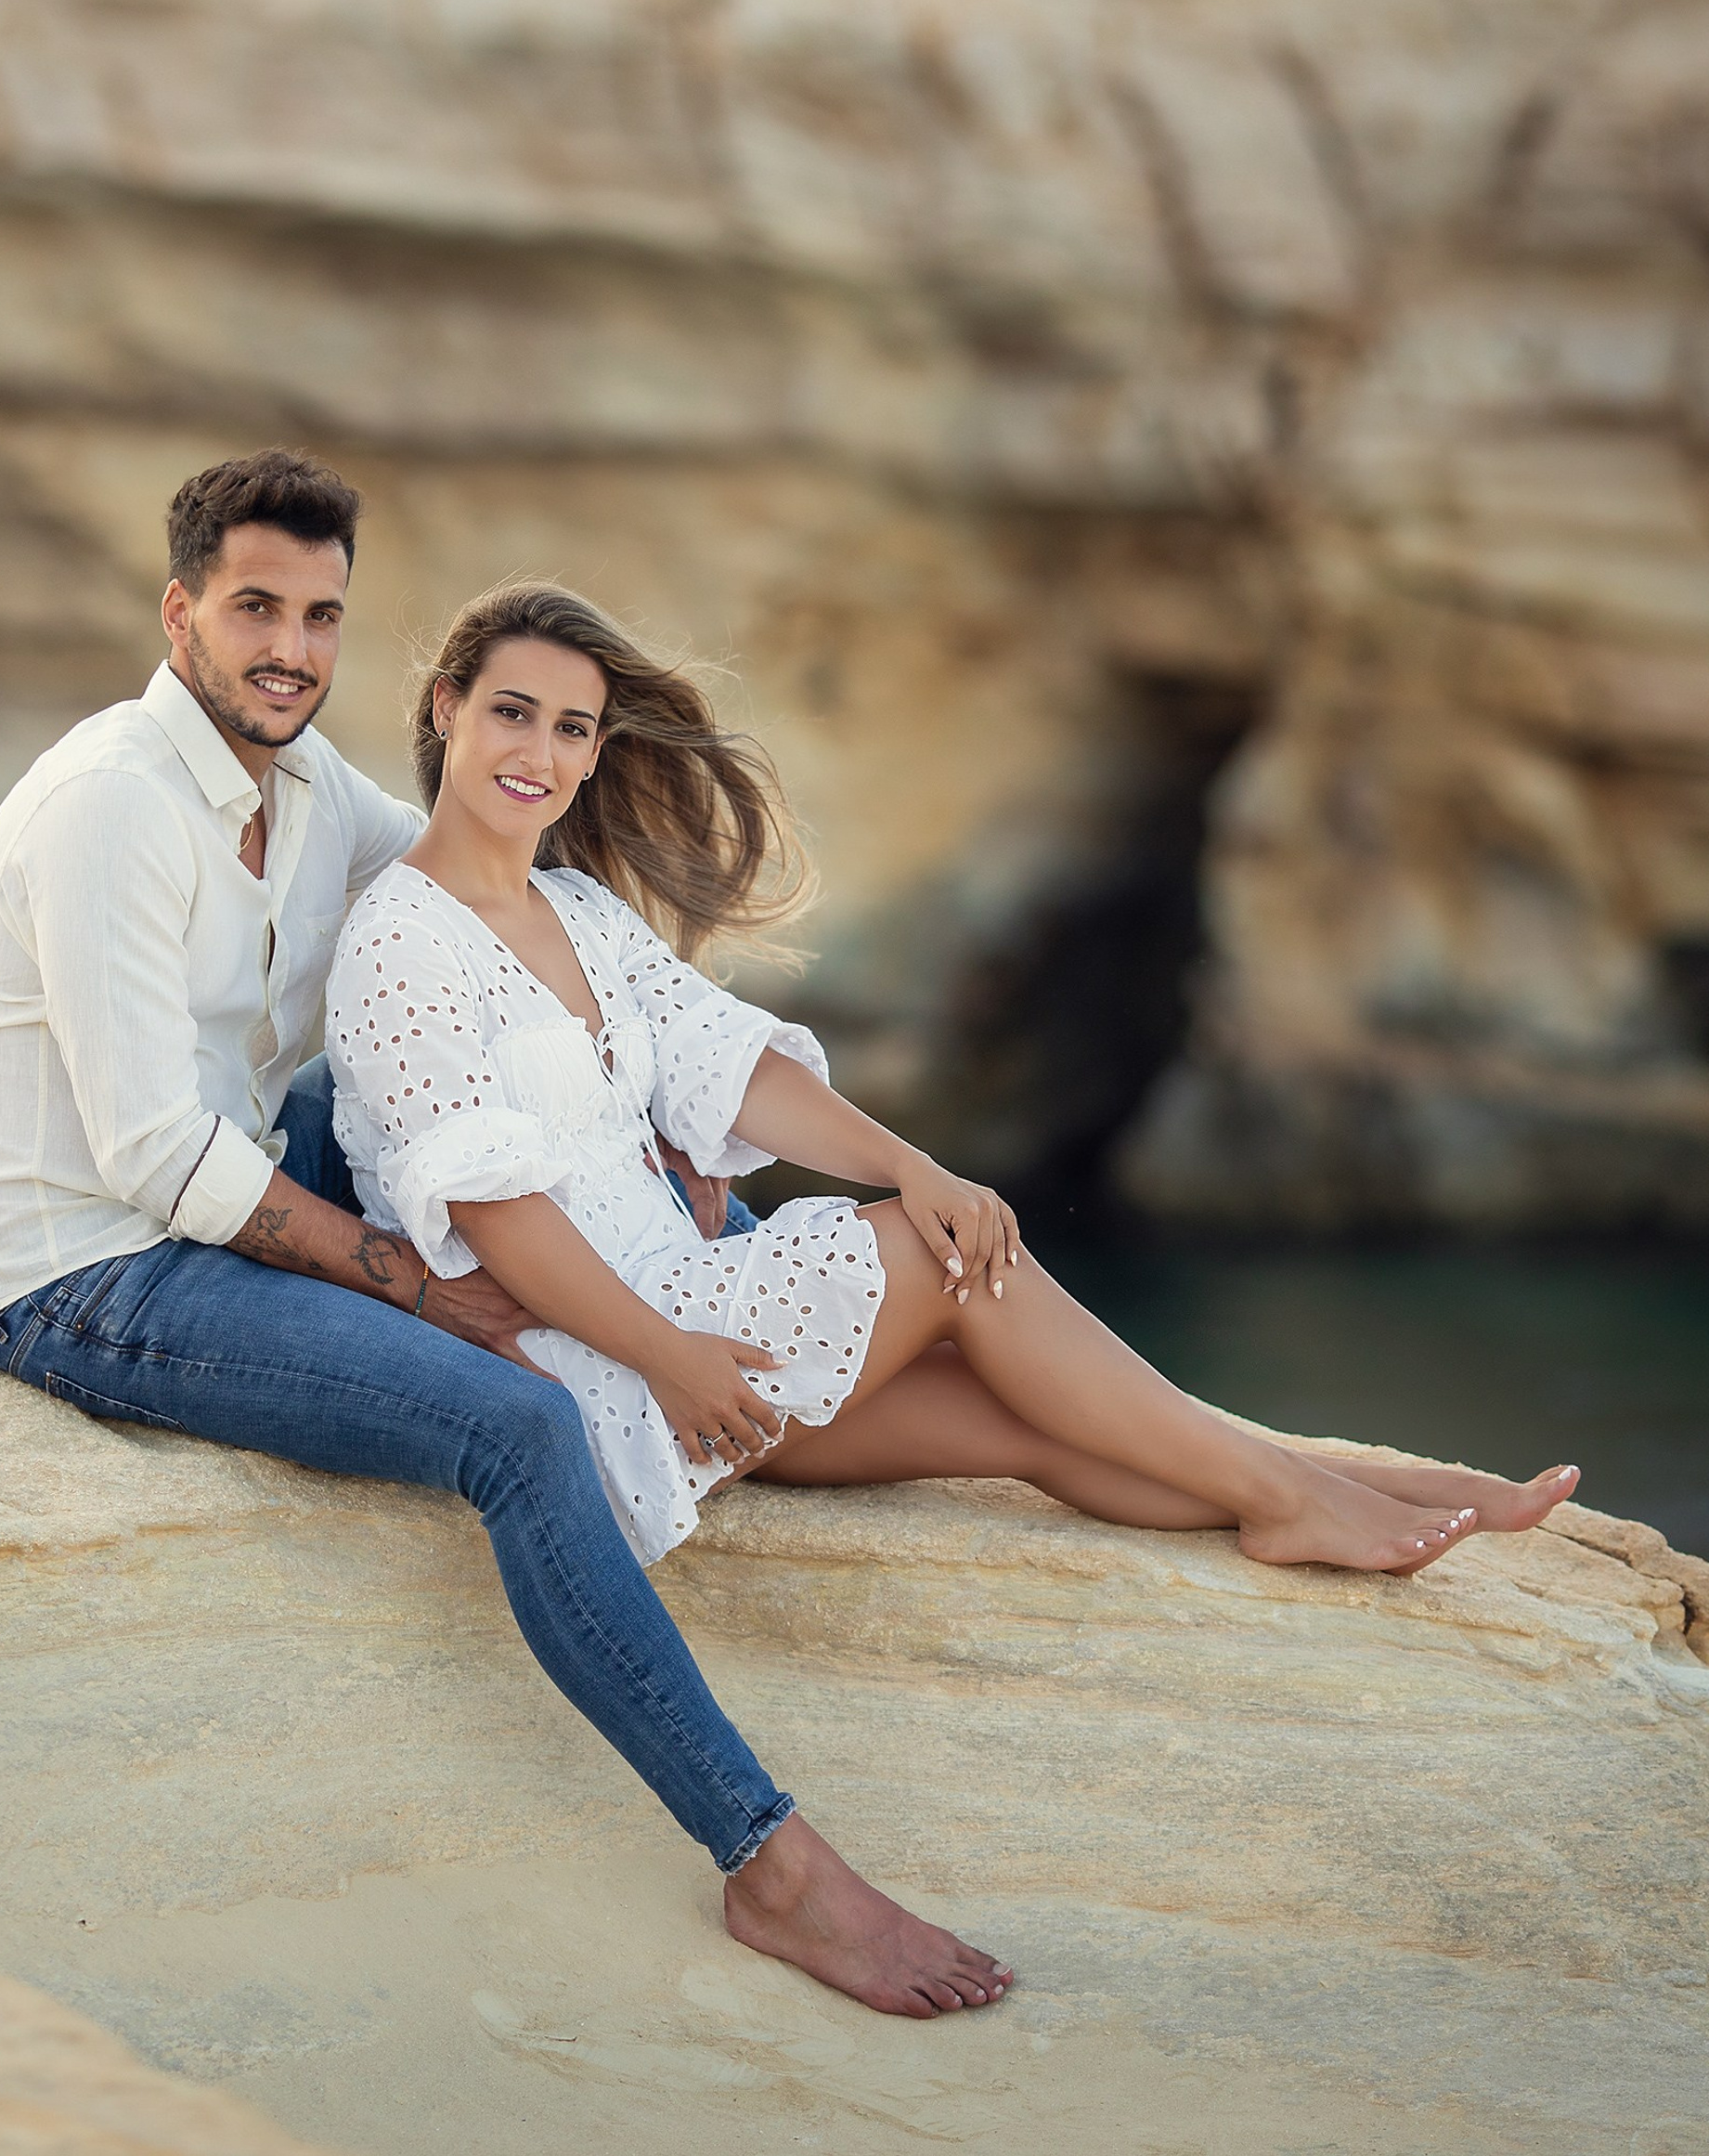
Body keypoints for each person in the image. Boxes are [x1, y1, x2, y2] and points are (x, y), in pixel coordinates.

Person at [0, 450, 1016, 2023]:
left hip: (231, 1165)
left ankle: (671, 1305)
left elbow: (485, 879)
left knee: (468, 1112)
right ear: (181, 614)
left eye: (319, 614)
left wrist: (634, 1110)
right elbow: (153, 1156)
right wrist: (416, 1287)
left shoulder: (303, 791)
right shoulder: (113, 805)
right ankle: (767, 1860)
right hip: (83, 1264)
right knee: (515, 1422)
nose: (290, 648)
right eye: (253, 609)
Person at [322, 581, 1590, 1865]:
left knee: (1026, 1428)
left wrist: (910, 1161)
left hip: (696, 1314)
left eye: (575, 730)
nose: (539, 756)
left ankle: (1353, 1489)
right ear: (448, 710)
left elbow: (732, 1069)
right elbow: (501, 1214)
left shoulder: (581, 913)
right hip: (610, 1361)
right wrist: (669, 1351)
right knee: (956, 1265)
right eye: (514, 715)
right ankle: (1289, 1489)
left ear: (599, 752)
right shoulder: (399, 942)